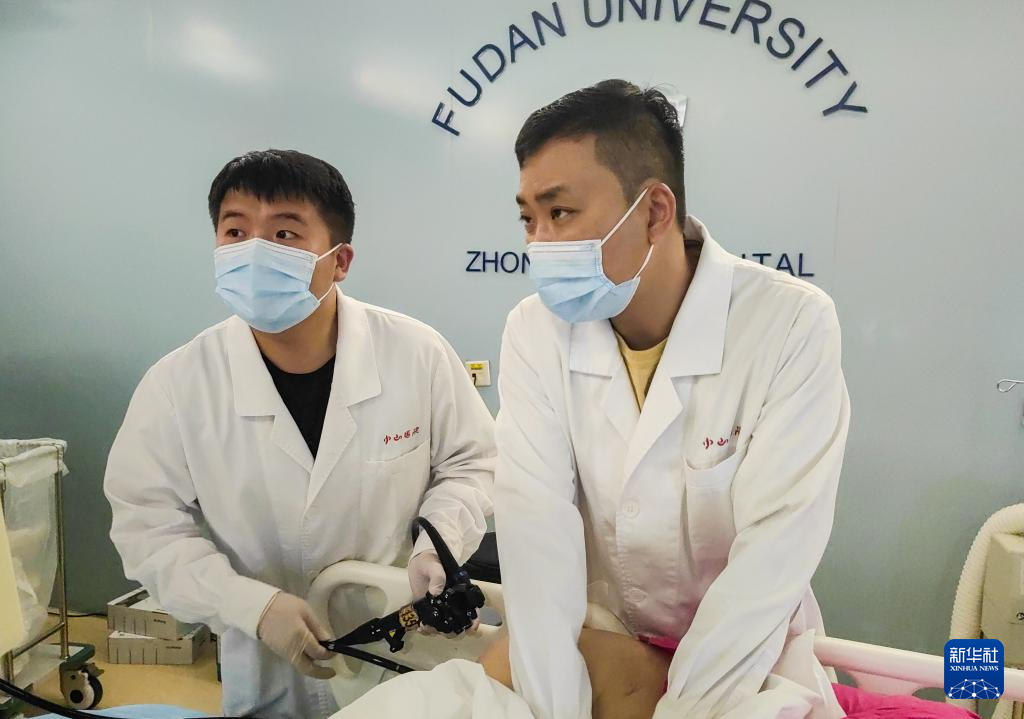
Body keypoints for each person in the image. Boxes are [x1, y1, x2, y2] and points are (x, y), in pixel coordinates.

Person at [486, 80, 851, 719]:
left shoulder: (789, 324)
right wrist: (550, 709)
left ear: (655, 210)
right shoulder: (534, 331)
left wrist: (688, 711)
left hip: (742, 664)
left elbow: (772, 556)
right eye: (527, 219)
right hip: (610, 646)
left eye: (560, 213)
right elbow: (536, 537)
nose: (538, 243)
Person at [104, 149, 495, 719]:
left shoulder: (416, 354)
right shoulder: (179, 384)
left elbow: (473, 463)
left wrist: (439, 545)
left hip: (401, 651)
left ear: (340, 261)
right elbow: (148, 527)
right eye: (235, 232)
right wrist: (251, 606)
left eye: (284, 233)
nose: (254, 252)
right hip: (266, 667)